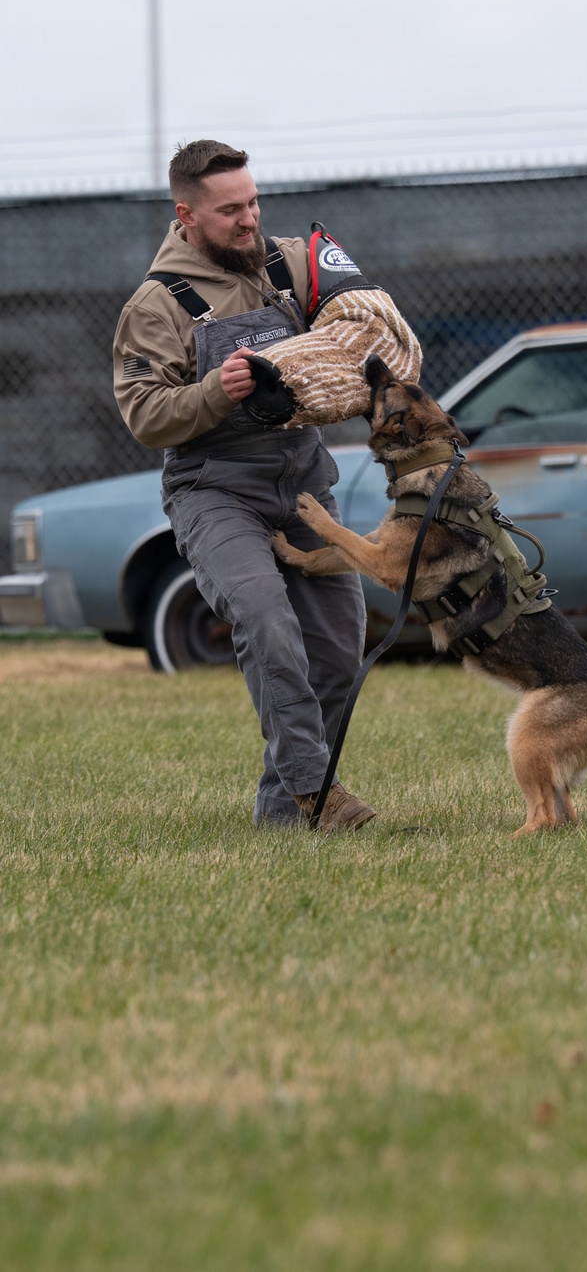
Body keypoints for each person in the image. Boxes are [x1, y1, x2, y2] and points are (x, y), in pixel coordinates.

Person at [113, 139, 373, 831]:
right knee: (265, 621)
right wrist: (214, 393)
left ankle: (283, 814)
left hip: (305, 487)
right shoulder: (157, 304)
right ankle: (319, 796)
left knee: (338, 654)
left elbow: (362, 322)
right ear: (187, 215)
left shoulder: (290, 264)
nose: (249, 219)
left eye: (254, 201)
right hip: (214, 491)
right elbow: (144, 415)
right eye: (231, 210)